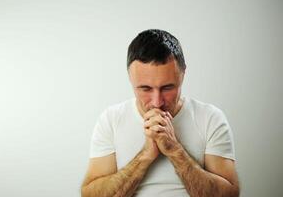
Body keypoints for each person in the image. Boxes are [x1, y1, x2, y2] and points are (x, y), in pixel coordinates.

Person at [81, 29, 240, 197]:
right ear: (130, 78)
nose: (157, 102)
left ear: (183, 75)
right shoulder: (111, 120)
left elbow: (229, 195)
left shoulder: (210, 118)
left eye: (167, 87)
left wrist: (175, 151)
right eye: (145, 89)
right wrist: (145, 156)